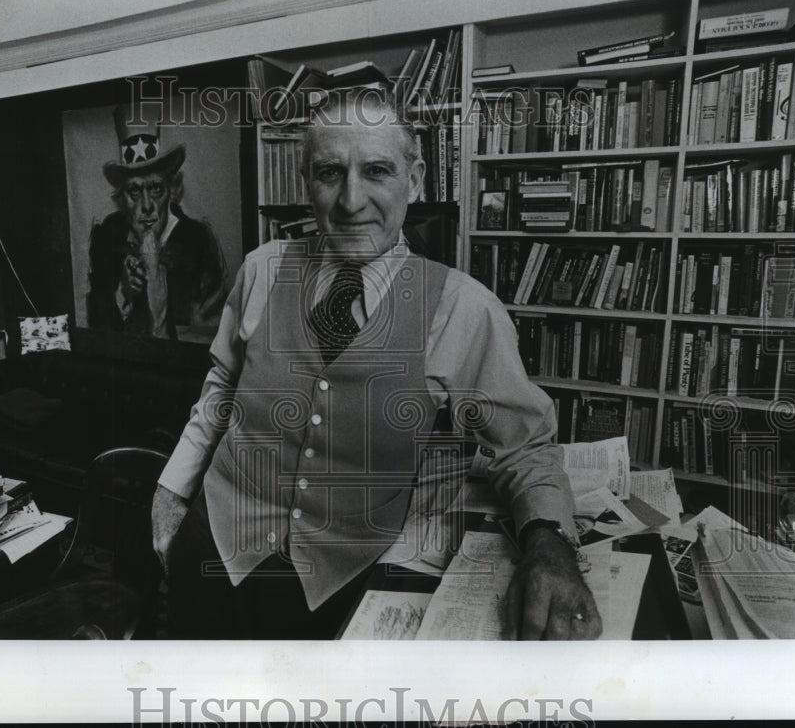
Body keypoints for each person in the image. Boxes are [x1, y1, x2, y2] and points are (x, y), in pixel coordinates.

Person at [151, 90, 601, 640]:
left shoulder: (463, 308)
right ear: (304, 182)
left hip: (342, 581)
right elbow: (222, 383)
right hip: (215, 541)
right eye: (329, 173)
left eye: (378, 171)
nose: (351, 200)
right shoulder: (261, 269)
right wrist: (171, 495)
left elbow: (525, 446)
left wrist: (549, 545)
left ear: (414, 181)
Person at [87, 103, 226, 339]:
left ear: (171, 191)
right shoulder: (107, 237)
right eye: (134, 191)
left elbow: (210, 336)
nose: (147, 205)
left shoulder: (197, 240)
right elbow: (98, 329)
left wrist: (158, 292)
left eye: (155, 189)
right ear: (122, 199)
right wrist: (123, 293)